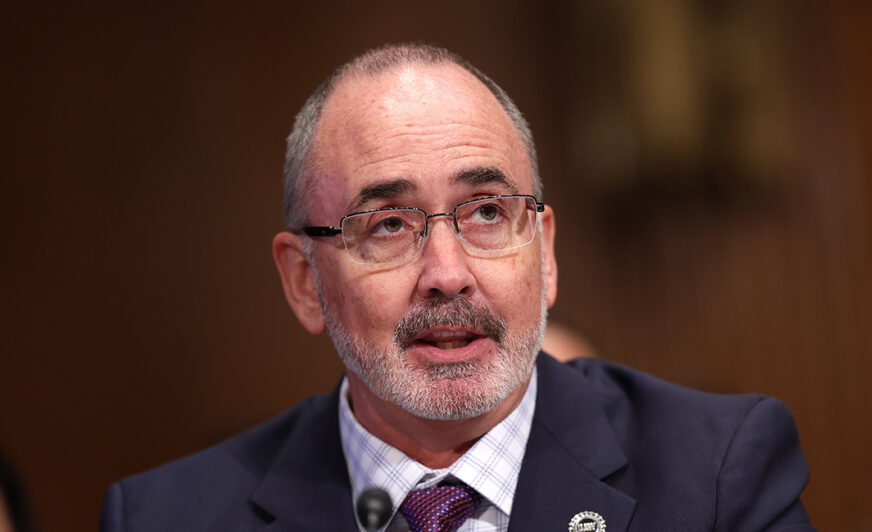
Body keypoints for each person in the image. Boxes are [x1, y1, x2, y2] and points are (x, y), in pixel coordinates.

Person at [100, 43, 814, 531]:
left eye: (485, 213)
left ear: (547, 252)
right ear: (304, 282)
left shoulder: (716, 476)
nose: (447, 274)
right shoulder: (168, 516)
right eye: (386, 226)